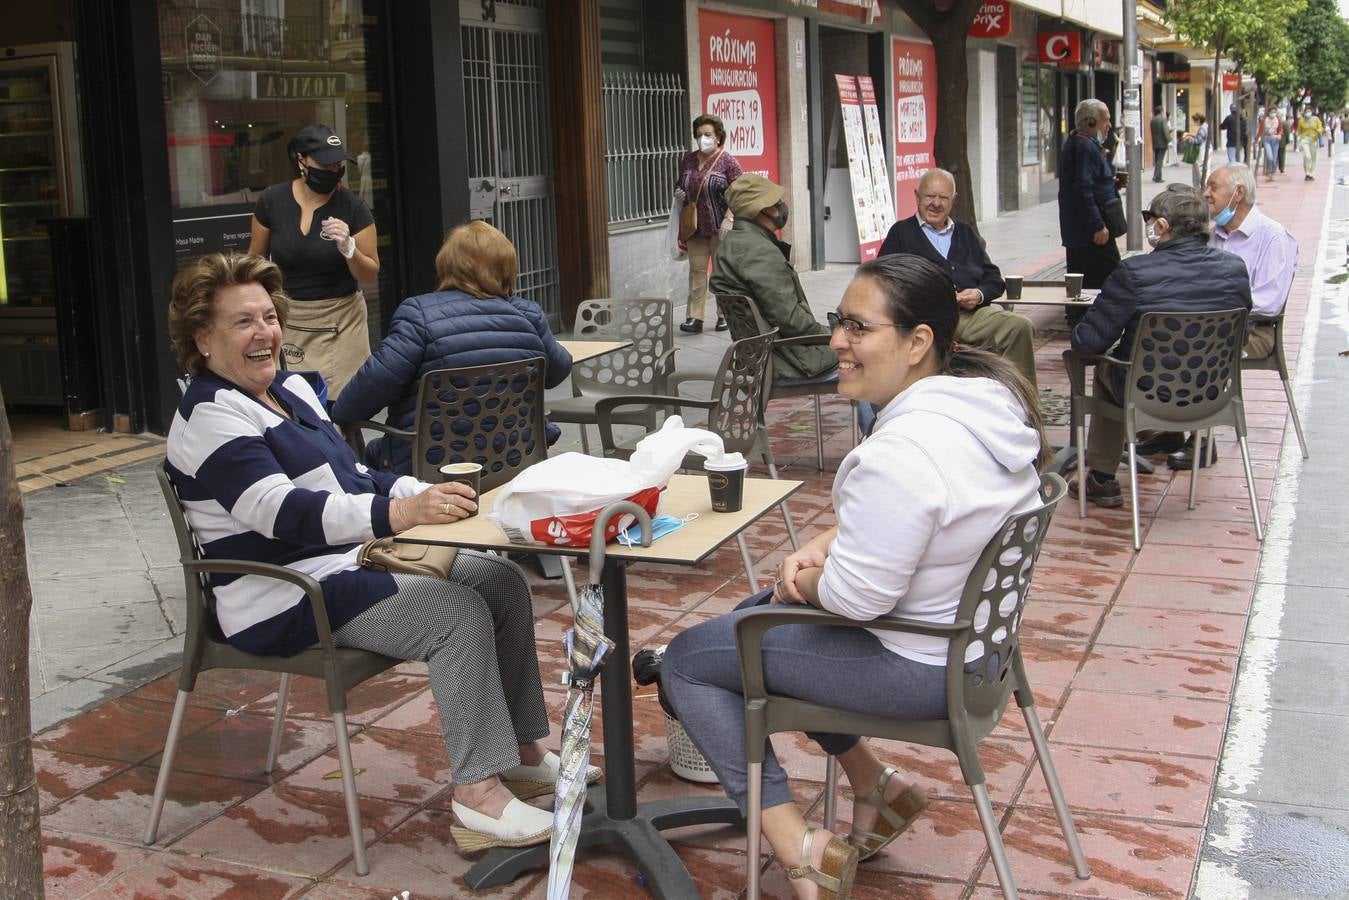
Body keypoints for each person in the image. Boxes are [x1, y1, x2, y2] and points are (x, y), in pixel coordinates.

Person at [166, 253, 593, 853]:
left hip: (347, 562)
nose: (265, 333)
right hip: (281, 592)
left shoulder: (289, 389)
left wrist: (420, 493)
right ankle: (477, 797)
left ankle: (522, 751)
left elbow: (354, 473)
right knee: (453, 611)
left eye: (269, 316)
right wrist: (398, 515)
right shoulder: (209, 416)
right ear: (200, 338)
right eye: (243, 322)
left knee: (498, 579)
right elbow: (284, 514)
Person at [661, 253, 1049, 899]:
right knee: (754, 619)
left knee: (688, 660)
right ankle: (877, 786)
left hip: (919, 669)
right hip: (980, 657)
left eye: (858, 328)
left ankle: (798, 845)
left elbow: (858, 599)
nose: (837, 341)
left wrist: (808, 578)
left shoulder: (899, 450)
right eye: (837, 322)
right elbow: (940, 512)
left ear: (917, 342)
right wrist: (822, 545)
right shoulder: (982, 413)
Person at [331, 221, 572, 474]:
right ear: (507, 268)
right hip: (513, 457)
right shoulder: (528, 314)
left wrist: (338, 416)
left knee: (370, 455)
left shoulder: (419, 314)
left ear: (446, 265)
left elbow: (372, 386)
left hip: (434, 466)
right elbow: (558, 370)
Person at [1067, 186, 1252, 507]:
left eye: (1150, 220)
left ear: (1163, 226)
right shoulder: (1234, 269)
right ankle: (1109, 473)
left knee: (1107, 366)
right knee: (1118, 365)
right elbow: (1242, 338)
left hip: (1146, 394)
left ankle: (1102, 477)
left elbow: (1088, 341)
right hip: (1212, 395)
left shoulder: (1135, 272)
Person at [246, 124, 379, 399]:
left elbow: (369, 274)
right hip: (292, 319)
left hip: (341, 321)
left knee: (341, 404)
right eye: (326, 163)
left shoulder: (352, 207)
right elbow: (255, 260)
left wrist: (349, 248)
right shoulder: (272, 201)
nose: (334, 170)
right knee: (294, 401)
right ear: (301, 160)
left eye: (338, 164)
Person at [878, 168, 1036, 386]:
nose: (936, 203)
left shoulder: (964, 232)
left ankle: (1023, 405)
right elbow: (883, 283)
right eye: (930, 196)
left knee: (1019, 326)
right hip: (929, 320)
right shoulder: (901, 233)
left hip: (973, 315)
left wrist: (979, 295)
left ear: (953, 201)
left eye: (943, 197)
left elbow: (994, 278)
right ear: (917, 197)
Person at [710, 174, 836, 380]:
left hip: (755, 353)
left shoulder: (732, 243)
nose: (782, 207)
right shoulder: (759, 251)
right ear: (763, 209)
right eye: (777, 202)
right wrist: (830, 334)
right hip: (782, 357)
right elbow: (790, 319)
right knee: (868, 350)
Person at [675, 114, 743, 334]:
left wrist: (730, 217)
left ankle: (724, 315)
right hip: (695, 227)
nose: (702, 138)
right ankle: (695, 318)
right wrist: (679, 193)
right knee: (697, 271)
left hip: (720, 226)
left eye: (707, 134)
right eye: (699, 135)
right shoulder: (688, 159)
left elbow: (740, 191)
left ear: (718, 137)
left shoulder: (728, 161)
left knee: (721, 272)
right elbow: (681, 183)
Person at [1057, 99, 1121, 292]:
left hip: (1078, 231)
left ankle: (1079, 318)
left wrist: (1110, 181)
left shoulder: (1077, 143)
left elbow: (1086, 183)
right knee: (1111, 281)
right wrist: (1097, 226)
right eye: (1106, 120)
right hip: (1090, 233)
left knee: (1081, 284)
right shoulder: (1085, 147)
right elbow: (1082, 190)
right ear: (1091, 122)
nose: (1109, 125)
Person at [1297, 107, 1325, 180]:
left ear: (1312, 112)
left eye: (1309, 111)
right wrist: (1298, 139)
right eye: (1306, 111)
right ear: (1304, 112)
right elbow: (1299, 131)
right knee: (1307, 156)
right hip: (1304, 139)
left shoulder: (1316, 119)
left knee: (1313, 157)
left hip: (1314, 139)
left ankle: (1311, 173)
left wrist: (1318, 130)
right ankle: (1307, 173)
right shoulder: (1301, 121)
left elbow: (1321, 128)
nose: (1308, 113)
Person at [1183, 113, 1210, 188]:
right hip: (1204, 150)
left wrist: (1189, 139)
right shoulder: (1205, 126)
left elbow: (1198, 141)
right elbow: (1200, 137)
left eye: (1195, 121)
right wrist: (1191, 134)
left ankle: (1202, 187)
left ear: (1199, 120)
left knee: (1198, 171)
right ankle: (1199, 187)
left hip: (1200, 152)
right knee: (1197, 171)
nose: (1194, 123)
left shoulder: (1202, 128)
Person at [1259, 107, 1283, 182]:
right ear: (1268, 113)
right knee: (1270, 157)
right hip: (1266, 139)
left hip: (1275, 140)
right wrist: (1257, 140)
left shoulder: (1278, 120)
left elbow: (1280, 130)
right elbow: (1260, 130)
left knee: (1274, 158)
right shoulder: (1264, 120)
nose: (1273, 114)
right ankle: (1269, 171)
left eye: (1274, 112)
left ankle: (1272, 173)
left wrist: (1279, 135)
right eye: (1271, 112)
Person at [1150, 105, 1172, 182]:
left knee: (1157, 160)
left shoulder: (1153, 120)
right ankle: (1156, 176)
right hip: (1162, 143)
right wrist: (1169, 139)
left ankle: (1158, 176)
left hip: (1155, 143)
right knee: (1160, 160)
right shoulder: (1163, 120)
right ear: (1161, 111)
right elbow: (1165, 131)